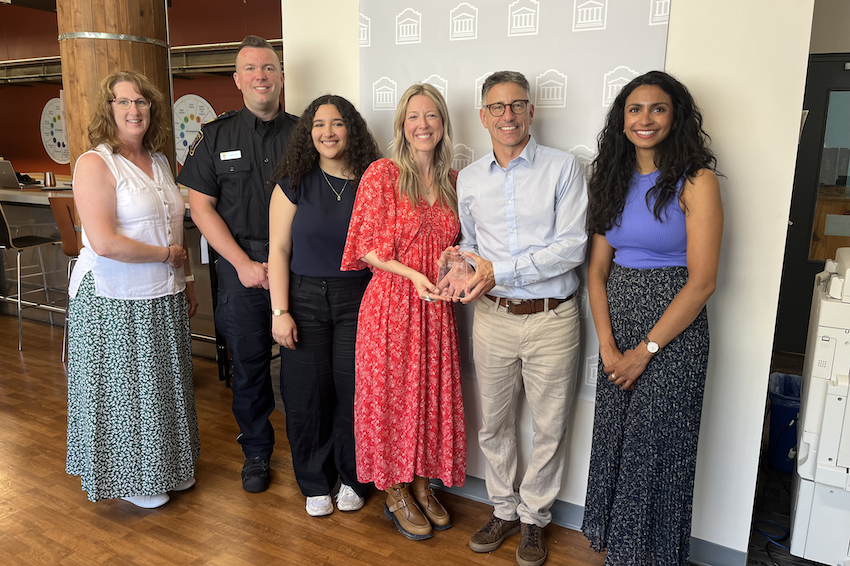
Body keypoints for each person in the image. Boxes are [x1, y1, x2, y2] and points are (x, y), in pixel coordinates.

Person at [580, 71, 722, 566]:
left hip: (674, 333)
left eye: (658, 108)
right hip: (617, 327)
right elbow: (597, 272)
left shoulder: (697, 181)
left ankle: (651, 557)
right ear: (622, 120)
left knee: (657, 451)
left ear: (675, 117)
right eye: (635, 109)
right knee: (617, 443)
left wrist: (645, 352)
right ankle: (620, 551)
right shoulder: (612, 178)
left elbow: (702, 282)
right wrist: (607, 345)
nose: (645, 119)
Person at [455, 71, 588, 566]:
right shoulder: (469, 179)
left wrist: (499, 271)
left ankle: (534, 519)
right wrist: (461, 264)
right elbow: (471, 244)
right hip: (492, 317)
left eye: (516, 105)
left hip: (553, 319)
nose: (507, 115)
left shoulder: (563, 168)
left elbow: (572, 247)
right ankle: (503, 509)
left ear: (531, 111)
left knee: (549, 427)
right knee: (494, 424)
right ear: (483, 115)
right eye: (497, 106)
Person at [66, 70, 200, 509]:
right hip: (114, 297)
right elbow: (105, 242)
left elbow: (175, 228)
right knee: (127, 391)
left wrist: (186, 280)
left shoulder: (158, 161)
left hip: (163, 291)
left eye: (141, 101)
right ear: (108, 110)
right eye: (123, 101)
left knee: (163, 385)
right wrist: (167, 256)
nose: (134, 109)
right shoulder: (95, 163)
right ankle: (132, 478)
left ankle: (169, 465)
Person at [341, 83, 466, 541]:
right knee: (390, 398)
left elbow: (458, 244)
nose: (422, 124)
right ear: (402, 125)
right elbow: (365, 247)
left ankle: (422, 484)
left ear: (443, 124)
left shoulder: (454, 182)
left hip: (436, 310)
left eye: (431, 115)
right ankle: (394, 490)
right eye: (414, 116)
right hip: (391, 305)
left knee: (429, 397)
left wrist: (453, 263)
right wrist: (413, 275)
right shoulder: (383, 174)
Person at [177, 35, 298, 493]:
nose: (260, 76)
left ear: (281, 77)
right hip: (238, 266)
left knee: (302, 365)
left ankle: (309, 451)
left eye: (268, 68)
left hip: (297, 266)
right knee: (249, 368)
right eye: (250, 69)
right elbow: (201, 208)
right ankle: (256, 453)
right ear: (237, 79)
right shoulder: (215, 136)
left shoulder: (305, 134)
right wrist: (244, 263)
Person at [267, 95, 381, 517]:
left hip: (360, 299)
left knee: (355, 393)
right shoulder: (293, 181)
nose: (327, 132)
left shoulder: (372, 179)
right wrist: (280, 312)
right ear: (308, 132)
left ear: (352, 129)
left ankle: (353, 477)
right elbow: (278, 250)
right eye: (318, 124)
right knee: (306, 395)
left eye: (337, 123)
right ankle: (315, 482)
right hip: (304, 298)